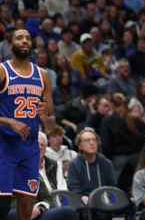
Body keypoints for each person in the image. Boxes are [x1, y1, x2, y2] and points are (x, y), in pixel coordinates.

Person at [0, 29, 55, 220]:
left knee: (25, 210)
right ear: (10, 45)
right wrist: (9, 121)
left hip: (29, 148)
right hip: (4, 145)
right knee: (2, 205)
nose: (24, 41)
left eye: (28, 38)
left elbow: (51, 119)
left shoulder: (43, 75)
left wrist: (46, 118)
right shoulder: (2, 71)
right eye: (19, 38)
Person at [6, 133, 77, 220]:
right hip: (14, 210)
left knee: (69, 212)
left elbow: (47, 197)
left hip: (37, 211)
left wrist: (40, 208)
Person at [100, 92, 145, 191]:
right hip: (138, 161)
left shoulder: (107, 121)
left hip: (118, 163)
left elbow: (106, 145)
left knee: (116, 191)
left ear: (112, 105)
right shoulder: (137, 120)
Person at [66, 128, 116, 201]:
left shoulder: (107, 163)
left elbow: (112, 187)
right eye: (87, 140)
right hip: (84, 204)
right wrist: (86, 199)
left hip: (106, 201)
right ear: (80, 146)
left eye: (94, 140)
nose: (91, 143)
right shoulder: (74, 165)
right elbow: (74, 190)